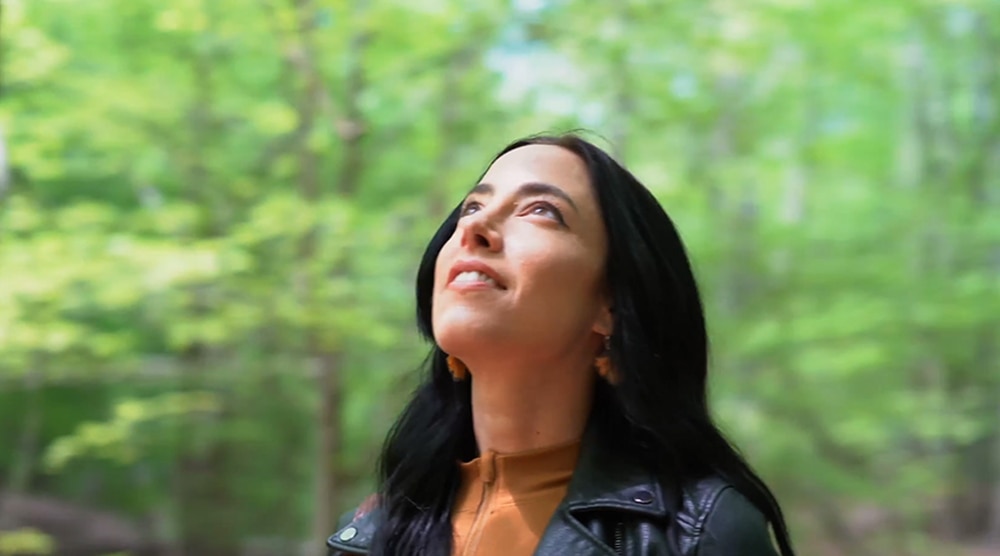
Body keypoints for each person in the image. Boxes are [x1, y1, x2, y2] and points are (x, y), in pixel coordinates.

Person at [327, 134, 796, 556]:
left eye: (541, 210)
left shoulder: (697, 534)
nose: (475, 226)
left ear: (611, 305)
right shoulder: (369, 535)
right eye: (471, 207)